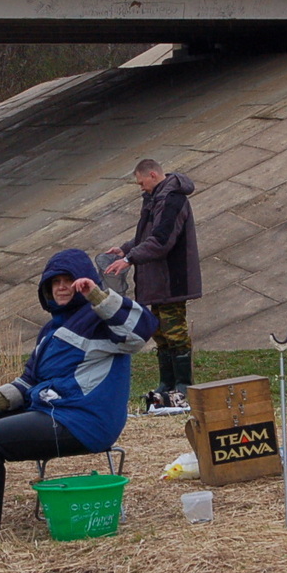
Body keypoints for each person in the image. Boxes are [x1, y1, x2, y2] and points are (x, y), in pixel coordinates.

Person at [0, 248, 157, 555]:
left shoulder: (101, 321)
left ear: (83, 283)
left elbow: (142, 331)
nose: (61, 287)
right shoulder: (51, 329)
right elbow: (30, 379)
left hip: (84, 422)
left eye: (69, 280)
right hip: (52, 413)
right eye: (54, 281)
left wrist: (98, 296)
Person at [104, 159, 202, 401]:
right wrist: (125, 248)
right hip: (156, 281)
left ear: (152, 174)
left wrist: (129, 258)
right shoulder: (155, 199)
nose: (141, 188)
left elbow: (161, 240)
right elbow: (147, 235)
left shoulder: (172, 199)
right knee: (159, 332)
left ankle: (183, 386)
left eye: (141, 183)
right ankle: (166, 383)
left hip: (172, 279)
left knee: (175, 331)